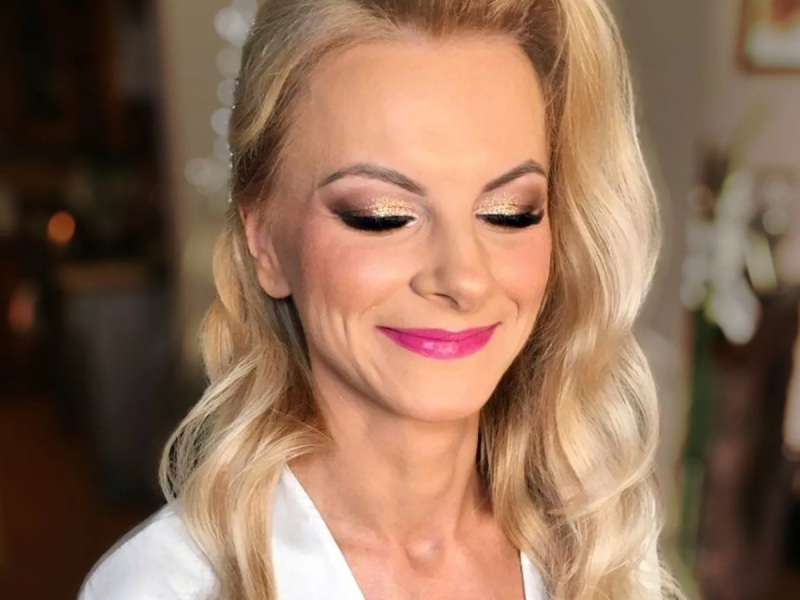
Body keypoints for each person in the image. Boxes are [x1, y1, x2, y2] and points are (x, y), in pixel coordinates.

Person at [79, 0, 684, 599]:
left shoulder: (603, 556)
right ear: (264, 241)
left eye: (509, 212)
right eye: (383, 216)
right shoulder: (165, 587)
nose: (464, 278)